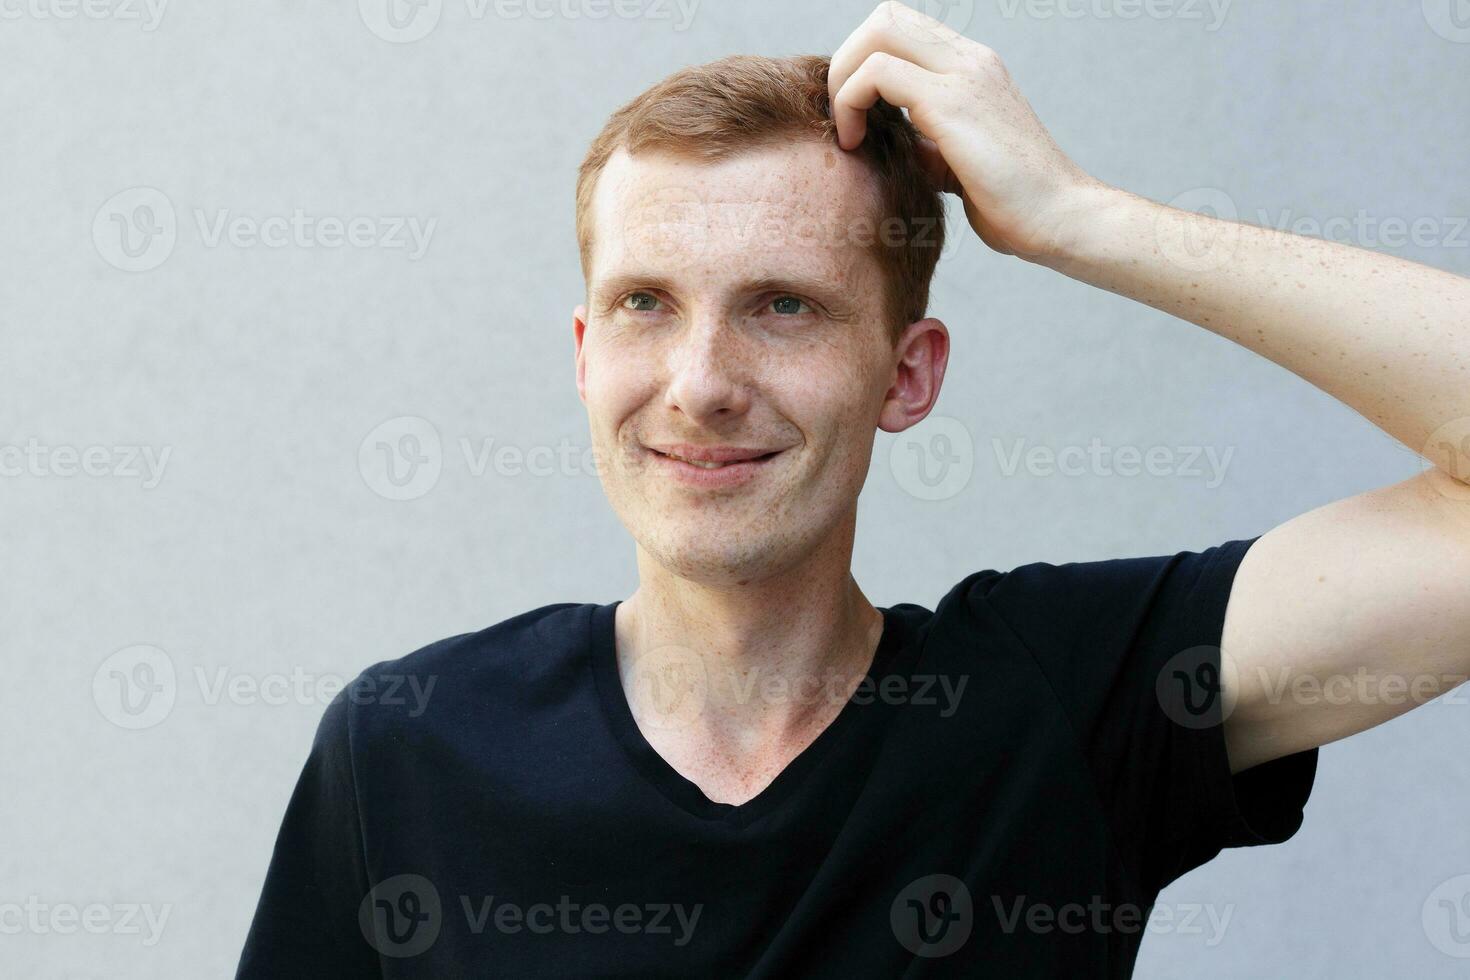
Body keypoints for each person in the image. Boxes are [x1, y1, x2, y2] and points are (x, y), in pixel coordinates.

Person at [236, 4, 1470, 976]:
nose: (701, 382)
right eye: (644, 303)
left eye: (783, 306)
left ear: (908, 371)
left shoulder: (1064, 710)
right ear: (581, 354)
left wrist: (1077, 217)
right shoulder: (408, 745)